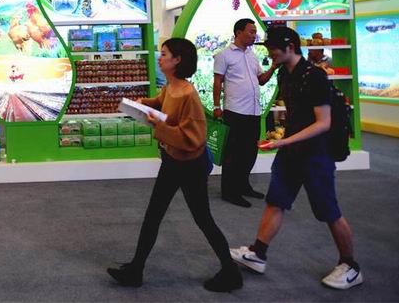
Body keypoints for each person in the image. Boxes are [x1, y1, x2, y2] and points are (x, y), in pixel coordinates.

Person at [231, 26, 362, 290]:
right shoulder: (284, 73)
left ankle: (351, 266)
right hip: (291, 152)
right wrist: (284, 140)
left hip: (315, 155)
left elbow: (323, 123)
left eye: (273, 49)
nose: (270, 54)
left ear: (290, 47)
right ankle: (258, 253)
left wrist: (284, 141)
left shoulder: (315, 76)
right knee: (276, 201)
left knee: (329, 211)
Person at [108, 38, 243, 292]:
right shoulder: (171, 87)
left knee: (202, 218)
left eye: (164, 54)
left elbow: (193, 138)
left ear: (177, 60)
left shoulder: (188, 94)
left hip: (189, 165)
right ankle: (136, 269)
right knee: (154, 215)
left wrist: (159, 126)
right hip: (173, 160)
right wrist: (144, 104)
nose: (160, 58)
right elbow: (162, 102)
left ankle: (230, 271)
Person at [213, 19, 278, 207]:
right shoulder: (224, 55)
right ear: (238, 32)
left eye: (255, 32)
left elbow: (261, 80)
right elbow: (217, 81)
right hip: (235, 111)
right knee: (233, 154)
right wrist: (216, 106)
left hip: (254, 111)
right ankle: (229, 192)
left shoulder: (252, 55)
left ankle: (243, 186)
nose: (254, 35)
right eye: (251, 31)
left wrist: (273, 67)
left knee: (249, 153)